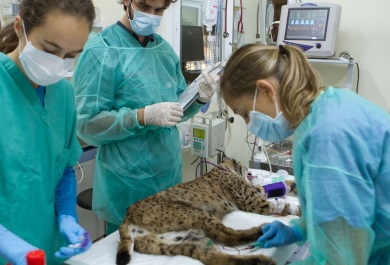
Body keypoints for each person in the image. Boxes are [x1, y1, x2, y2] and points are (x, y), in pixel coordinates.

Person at [220, 43, 390, 264]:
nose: (248, 123)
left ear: (267, 90)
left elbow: (341, 255)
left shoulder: (329, 135)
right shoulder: (326, 108)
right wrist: (300, 229)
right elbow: (336, 207)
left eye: (245, 113)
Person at [72, 0, 217, 235]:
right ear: (127, 1)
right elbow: (86, 123)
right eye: (144, 6)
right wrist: (141, 116)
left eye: (159, 10)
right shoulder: (101, 50)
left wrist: (198, 97)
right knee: (128, 252)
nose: (151, 15)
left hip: (167, 173)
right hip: (127, 181)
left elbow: (175, 110)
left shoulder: (163, 51)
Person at [0, 0, 96, 264]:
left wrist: (66, 215)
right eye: (50, 50)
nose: (58, 64)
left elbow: (64, 168)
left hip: (46, 247)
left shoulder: (62, 95)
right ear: (20, 27)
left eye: (70, 55)